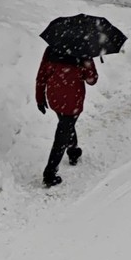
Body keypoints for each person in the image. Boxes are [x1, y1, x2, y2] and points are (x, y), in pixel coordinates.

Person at [35, 46, 98, 187]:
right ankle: (49, 173)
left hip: (55, 97)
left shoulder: (52, 48)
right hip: (72, 100)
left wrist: (39, 96)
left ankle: (73, 151)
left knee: (66, 124)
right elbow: (92, 80)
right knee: (63, 132)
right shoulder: (84, 52)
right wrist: (87, 63)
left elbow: (42, 74)